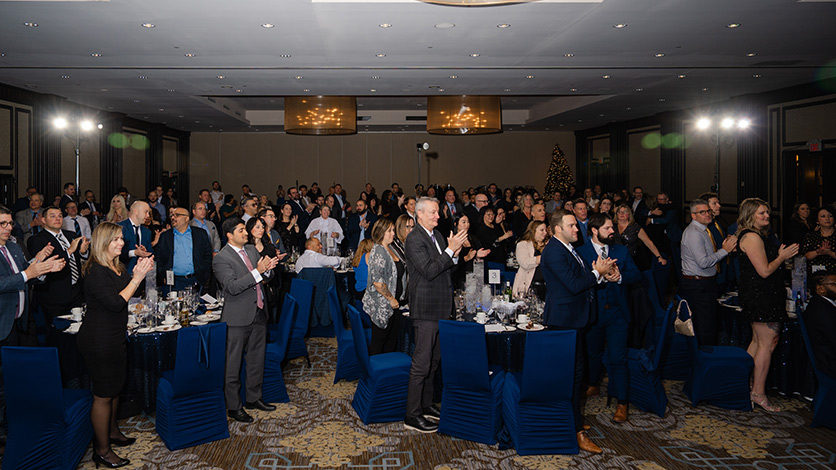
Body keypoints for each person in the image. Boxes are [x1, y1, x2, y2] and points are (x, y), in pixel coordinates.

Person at [78, 222, 154, 468]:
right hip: (99, 339)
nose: (122, 243)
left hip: (115, 335)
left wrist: (136, 276)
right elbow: (114, 303)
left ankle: (111, 432)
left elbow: (127, 296)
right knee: (103, 394)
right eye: (116, 240)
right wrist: (138, 277)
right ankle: (101, 450)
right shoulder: (95, 270)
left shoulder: (116, 265)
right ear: (102, 243)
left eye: (121, 238)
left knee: (114, 390)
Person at [541, 209, 615, 454]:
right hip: (564, 322)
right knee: (570, 377)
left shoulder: (568, 249)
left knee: (575, 376)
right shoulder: (553, 251)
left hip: (575, 320)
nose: (577, 229)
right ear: (557, 229)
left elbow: (582, 277)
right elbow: (574, 285)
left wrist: (598, 273)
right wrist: (597, 273)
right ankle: (575, 431)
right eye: (572, 226)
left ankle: (571, 421)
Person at [403, 197, 466, 433]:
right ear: (419, 214)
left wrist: (455, 252)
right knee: (421, 364)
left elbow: (447, 268)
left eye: (438, 212)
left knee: (434, 361)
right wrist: (450, 250)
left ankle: (427, 404)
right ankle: (412, 414)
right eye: (432, 213)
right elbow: (429, 271)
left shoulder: (437, 236)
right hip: (426, 309)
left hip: (442, 307)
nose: (437, 216)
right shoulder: (414, 239)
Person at [213, 217, 279, 423]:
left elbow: (266, 276)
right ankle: (234, 406)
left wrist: (267, 269)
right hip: (237, 317)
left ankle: (254, 398)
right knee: (233, 364)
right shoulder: (221, 258)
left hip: (258, 312)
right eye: (241, 230)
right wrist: (258, 272)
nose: (246, 233)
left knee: (256, 360)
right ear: (229, 235)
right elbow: (232, 287)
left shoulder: (251, 250)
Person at [736, 198, 799, 412]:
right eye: (761, 213)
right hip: (761, 295)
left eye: (767, 213)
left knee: (762, 341)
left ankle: (748, 386)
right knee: (765, 342)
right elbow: (764, 271)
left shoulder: (756, 235)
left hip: (762, 294)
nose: (766, 216)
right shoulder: (752, 237)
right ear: (750, 214)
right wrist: (781, 257)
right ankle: (758, 393)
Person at [577, 213, 640, 423]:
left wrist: (620, 277)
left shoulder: (620, 250)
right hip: (593, 312)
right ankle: (593, 384)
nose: (612, 231)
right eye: (607, 228)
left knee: (618, 358)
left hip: (617, 313)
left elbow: (636, 275)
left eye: (612, 228)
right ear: (594, 231)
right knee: (592, 353)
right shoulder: (581, 252)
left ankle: (622, 403)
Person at [679, 199, 737, 346]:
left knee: (708, 325)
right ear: (693, 215)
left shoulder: (703, 230)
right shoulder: (694, 233)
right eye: (702, 212)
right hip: (697, 285)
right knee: (705, 328)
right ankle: (705, 361)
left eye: (708, 211)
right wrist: (725, 251)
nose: (707, 214)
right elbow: (703, 263)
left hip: (704, 283)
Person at [28, 206, 89, 323]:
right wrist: (69, 251)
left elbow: (79, 259)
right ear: (43, 220)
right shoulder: (36, 240)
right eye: (53, 216)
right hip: (54, 295)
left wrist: (83, 252)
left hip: (76, 291)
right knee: (57, 333)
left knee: (79, 327)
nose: (58, 219)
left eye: (60, 216)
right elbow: (47, 265)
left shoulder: (71, 235)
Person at [364, 218, 409, 355]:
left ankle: (387, 371)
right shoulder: (378, 251)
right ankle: (374, 372)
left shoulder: (390, 249)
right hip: (382, 305)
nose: (393, 234)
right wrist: (391, 299)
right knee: (379, 342)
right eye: (389, 231)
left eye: (393, 230)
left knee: (391, 341)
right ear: (381, 232)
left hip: (394, 304)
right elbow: (377, 282)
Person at [155, 206, 213, 295]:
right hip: (173, 282)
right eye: (172, 216)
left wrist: (204, 274)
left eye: (177, 215)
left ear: (186, 218)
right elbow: (159, 257)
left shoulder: (200, 234)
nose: (173, 218)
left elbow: (207, 255)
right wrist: (162, 274)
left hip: (195, 280)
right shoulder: (165, 236)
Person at [614, 204, 667, 271]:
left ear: (629, 214)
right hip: (614, 260)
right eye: (620, 212)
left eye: (625, 212)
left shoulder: (635, 227)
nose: (622, 214)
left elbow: (648, 242)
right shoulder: (612, 226)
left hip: (630, 260)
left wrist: (659, 257)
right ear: (616, 214)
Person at [805, 272, 836, 379]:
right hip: (829, 362)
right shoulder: (822, 310)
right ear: (821, 289)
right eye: (834, 284)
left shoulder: (820, 303)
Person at [450, 214, 490, 289]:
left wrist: (478, 255)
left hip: (474, 276)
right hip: (459, 277)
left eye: (468, 222)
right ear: (455, 224)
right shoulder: (452, 240)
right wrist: (466, 258)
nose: (467, 225)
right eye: (463, 222)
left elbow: (478, 253)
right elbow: (450, 263)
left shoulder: (473, 239)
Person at [512, 220, 548, 298]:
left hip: (546, 287)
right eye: (542, 230)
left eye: (546, 230)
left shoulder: (548, 246)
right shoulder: (523, 244)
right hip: (528, 287)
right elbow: (525, 263)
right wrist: (543, 257)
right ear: (533, 230)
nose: (545, 233)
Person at [118, 200, 154, 276]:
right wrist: (134, 253)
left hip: (142, 275)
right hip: (123, 273)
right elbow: (113, 253)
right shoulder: (120, 228)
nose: (148, 216)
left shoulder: (147, 232)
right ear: (136, 211)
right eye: (146, 212)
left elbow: (151, 252)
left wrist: (145, 252)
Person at [801, 206, 836, 276]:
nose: (827, 218)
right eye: (823, 216)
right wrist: (818, 252)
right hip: (814, 275)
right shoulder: (811, 236)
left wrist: (830, 253)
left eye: (830, 216)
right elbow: (805, 257)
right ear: (817, 221)